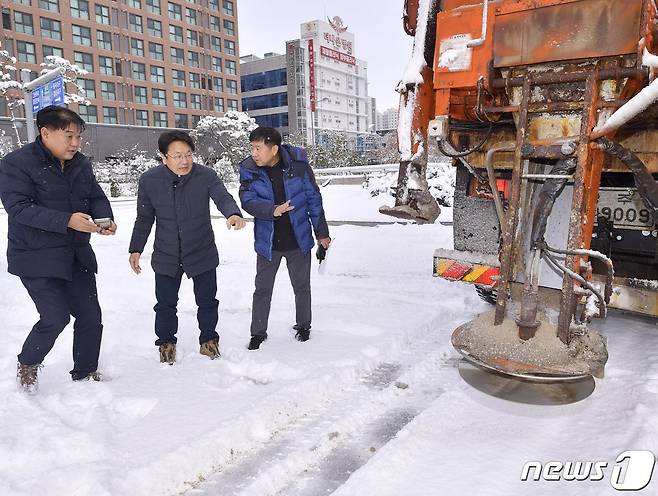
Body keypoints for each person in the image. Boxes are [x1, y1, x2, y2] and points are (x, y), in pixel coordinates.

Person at [0, 106, 117, 392]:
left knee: (91, 317)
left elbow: (95, 195)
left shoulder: (80, 163)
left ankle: (85, 373)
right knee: (55, 317)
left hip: (76, 253)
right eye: (69, 136)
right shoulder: (16, 163)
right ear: (45, 133)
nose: (76, 143)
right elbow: (19, 208)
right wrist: (67, 220)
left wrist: (105, 219)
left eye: (78, 136)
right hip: (35, 256)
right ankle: (28, 363)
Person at [128, 130, 246, 364]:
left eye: (189, 154)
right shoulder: (150, 180)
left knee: (208, 301)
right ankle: (166, 344)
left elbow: (222, 197)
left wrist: (232, 214)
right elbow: (144, 218)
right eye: (177, 156)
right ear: (163, 157)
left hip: (201, 249)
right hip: (166, 253)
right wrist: (135, 248)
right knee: (165, 304)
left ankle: (209, 341)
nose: (184, 161)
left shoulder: (206, 176)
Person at [239, 126, 330, 350]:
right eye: (252, 147)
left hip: (298, 240)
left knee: (301, 286)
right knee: (262, 289)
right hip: (268, 243)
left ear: (274, 149)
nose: (254, 153)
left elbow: (313, 199)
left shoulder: (298, 167)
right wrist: (273, 210)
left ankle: (303, 327)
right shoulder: (250, 170)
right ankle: (258, 333)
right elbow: (247, 201)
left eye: (258, 148)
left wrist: (322, 233)